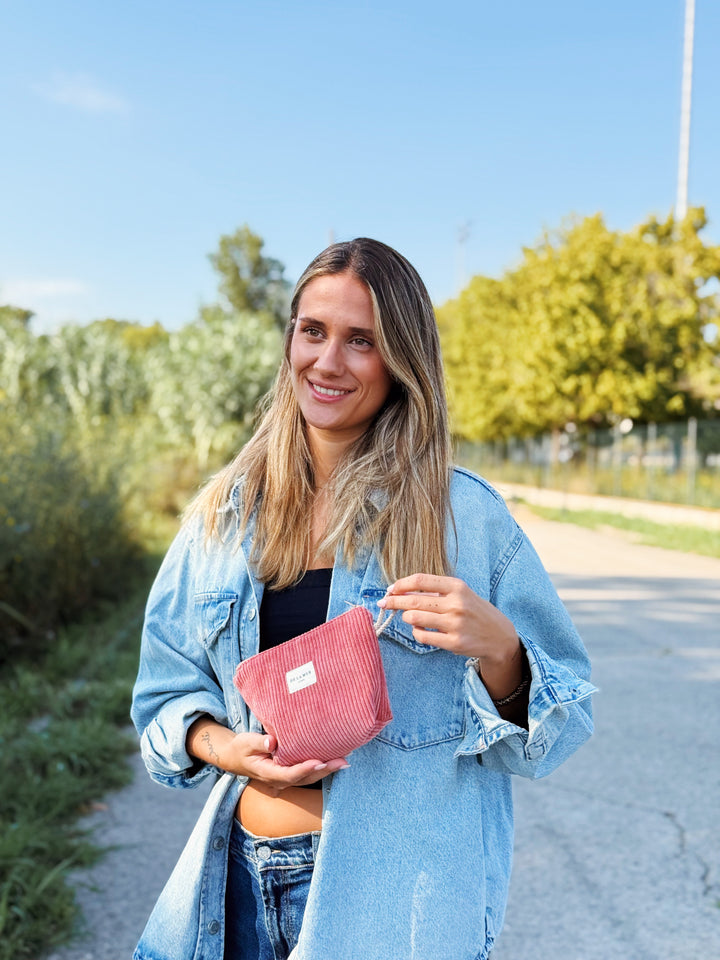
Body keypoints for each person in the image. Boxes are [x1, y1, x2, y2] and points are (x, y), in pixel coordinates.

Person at [131, 238, 595, 960]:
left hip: (394, 914)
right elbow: (164, 696)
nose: (328, 361)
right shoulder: (222, 515)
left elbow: (559, 733)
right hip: (238, 896)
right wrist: (232, 750)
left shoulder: (464, 519)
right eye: (313, 331)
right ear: (290, 339)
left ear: (401, 362)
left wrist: (502, 649)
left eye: (362, 342)